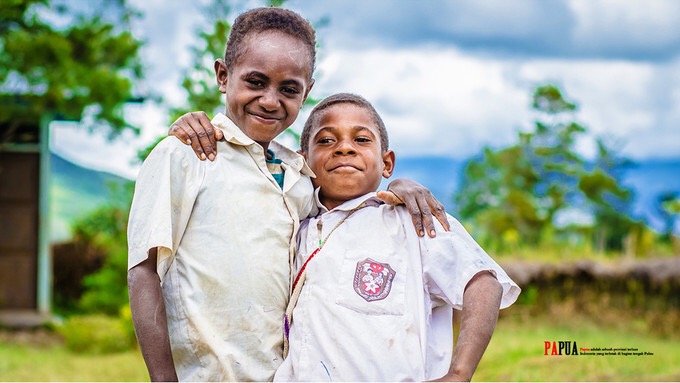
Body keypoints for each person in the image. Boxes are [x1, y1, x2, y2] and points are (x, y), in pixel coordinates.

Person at [127, 7, 448, 382]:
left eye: (289, 89)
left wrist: (398, 185)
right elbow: (144, 270)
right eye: (255, 82)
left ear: (307, 92)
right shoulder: (185, 155)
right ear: (223, 75)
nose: (269, 100)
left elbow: (346, 201)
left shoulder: (297, 175)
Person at [272, 93, 521, 382]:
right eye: (326, 140)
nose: (344, 148)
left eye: (362, 140)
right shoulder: (293, 226)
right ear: (304, 163)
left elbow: (483, 283)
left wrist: (459, 374)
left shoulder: (414, 220)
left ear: (387, 163)